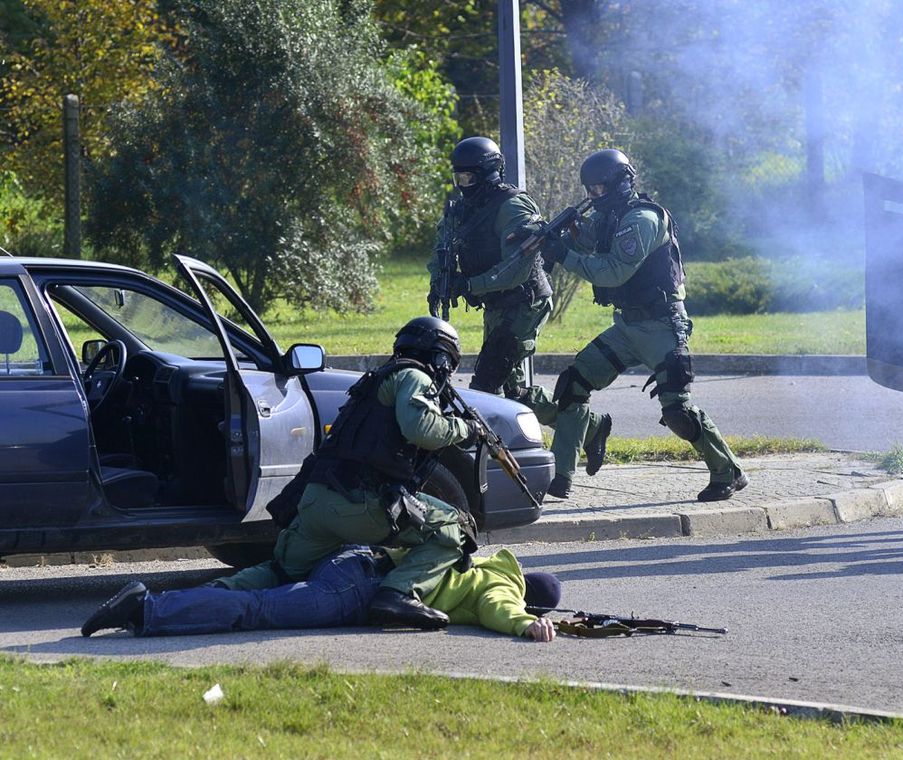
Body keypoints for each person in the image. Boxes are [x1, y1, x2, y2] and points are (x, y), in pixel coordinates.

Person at [205, 316, 480, 628]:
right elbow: (420, 428)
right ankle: (397, 593)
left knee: (282, 571)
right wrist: (463, 428)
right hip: (359, 503)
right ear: (442, 357)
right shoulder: (414, 377)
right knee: (454, 528)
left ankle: (211, 595)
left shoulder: (377, 380)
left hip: (317, 500)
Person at [533, 149, 746, 501]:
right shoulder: (610, 216)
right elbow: (587, 237)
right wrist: (551, 235)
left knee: (678, 412)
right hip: (628, 327)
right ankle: (561, 476)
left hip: (663, 326)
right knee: (573, 384)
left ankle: (729, 471)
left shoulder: (643, 220)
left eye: (599, 189)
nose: (593, 197)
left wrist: (564, 255)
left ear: (620, 183)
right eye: (589, 190)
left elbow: (614, 271)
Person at [429, 136, 612, 480]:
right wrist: (439, 279)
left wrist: (468, 285)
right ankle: (589, 427)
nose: (463, 185)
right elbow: (440, 247)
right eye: (458, 178)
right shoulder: (462, 209)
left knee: (486, 385)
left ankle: (489, 469)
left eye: (469, 178)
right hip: (497, 304)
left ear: (488, 173)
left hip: (525, 301)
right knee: (514, 392)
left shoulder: (514, 207)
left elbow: (517, 269)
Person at [80, 547, 561, 642]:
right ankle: (145, 608)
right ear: (528, 593)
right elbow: (501, 609)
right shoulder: (500, 585)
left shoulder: (475, 563)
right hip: (358, 587)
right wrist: (525, 623)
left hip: (351, 560)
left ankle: (164, 606)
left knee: (260, 587)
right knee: (258, 612)